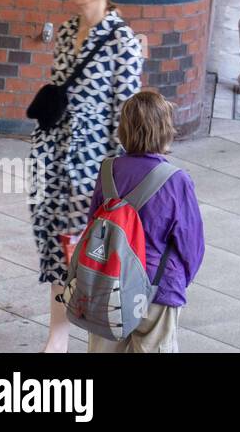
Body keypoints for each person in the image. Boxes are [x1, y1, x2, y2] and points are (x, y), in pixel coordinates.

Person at [31, 0, 144, 353]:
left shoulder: (123, 42)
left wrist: (117, 180)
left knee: (92, 253)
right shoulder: (65, 32)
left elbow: (127, 116)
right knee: (56, 246)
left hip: (94, 165)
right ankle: (57, 337)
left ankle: (105, 334)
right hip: (53, 158)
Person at [86, 91, 205, 353]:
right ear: (166, 130)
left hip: (109, 284)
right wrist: (180, 281)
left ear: (124, 130)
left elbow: (93, 226)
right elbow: (191, 246)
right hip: (157, 288)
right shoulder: (176, 180)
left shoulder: (108, 170)